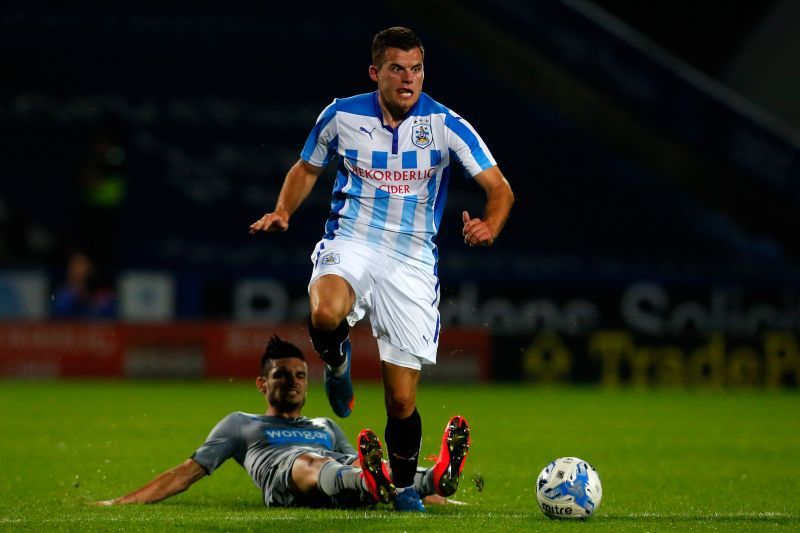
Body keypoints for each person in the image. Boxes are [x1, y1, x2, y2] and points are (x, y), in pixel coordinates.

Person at [249, 26, 512, 511]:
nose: (408, 79)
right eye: (397, 69)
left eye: (416, 69)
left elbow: (500, 188)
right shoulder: (341, 114)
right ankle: (337, 362)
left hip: (412, 258)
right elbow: (306, 167)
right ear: (376, 73)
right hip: (352, 240)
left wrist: (490, 227)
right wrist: (283, 210)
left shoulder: (446, 124)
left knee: (401, 402)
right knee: (326, 313)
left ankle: (406, 484)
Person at [95, 335, 471, 509]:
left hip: (341, 480)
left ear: (308, 383)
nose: (292, 382)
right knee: (313, 462)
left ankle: (432, 478)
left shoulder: (324, 424)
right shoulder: (240, 424)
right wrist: (121, 502)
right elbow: (187, 472)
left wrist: (437, 499)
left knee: (358, 464)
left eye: (300, 375)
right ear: (262, 384)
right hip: (286, 477)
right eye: (281, 375)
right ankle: (378, 483)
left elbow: (362, 461)